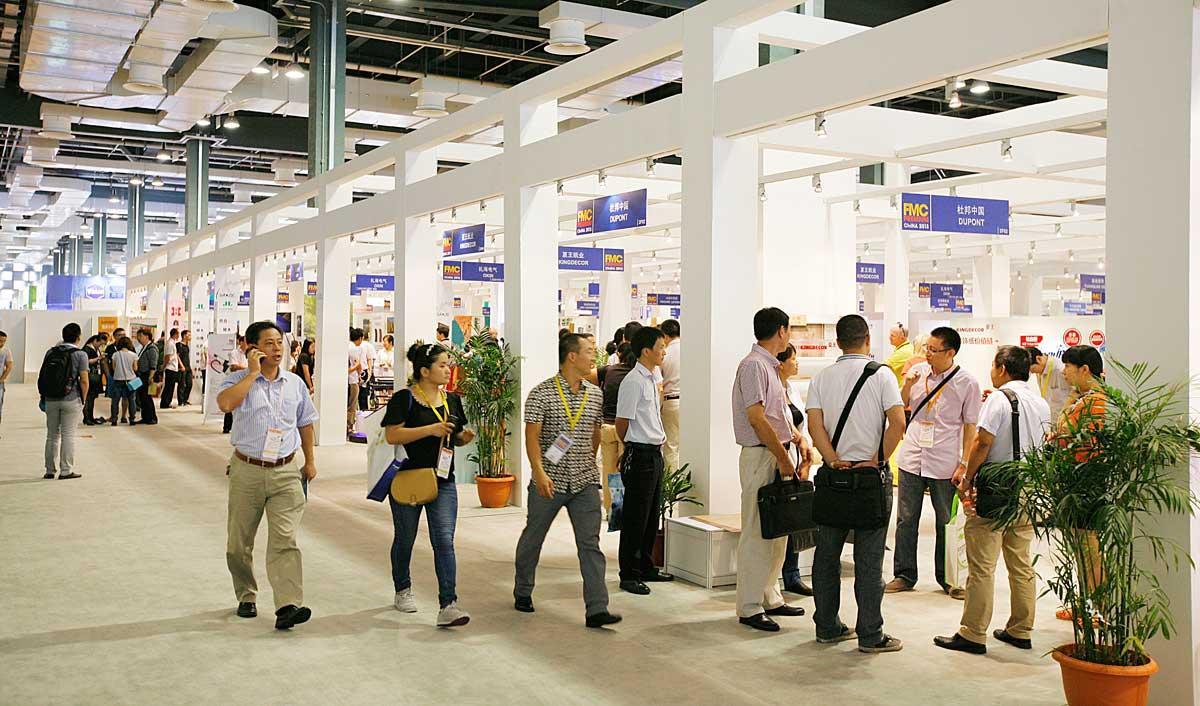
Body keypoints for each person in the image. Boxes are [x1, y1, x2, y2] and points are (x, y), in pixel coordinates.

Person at [934, 345, 1049, 655]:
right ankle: (1021, 629)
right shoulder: (1040, 402)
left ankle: (973, 633)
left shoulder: (999, 398)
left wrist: (967, 477)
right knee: (1020, 562)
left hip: (997, 487)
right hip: (1028, 486)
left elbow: (983, 442)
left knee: (982, 565)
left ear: (1002, 369)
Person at [806, 314, 906, 653]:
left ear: (838, 342)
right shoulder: (882, 375)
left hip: (833, 478)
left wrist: (832, 457)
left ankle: (827, 627)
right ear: (867, 340)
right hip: (869, 481)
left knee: (826, 556)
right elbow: (898, 422)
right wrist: (878, 458)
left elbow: (814, 425)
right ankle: (870, 634)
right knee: (869, 560)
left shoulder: (822, 377)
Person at [513, 333, 622, 628]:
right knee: (533, 537)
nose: (594, 356)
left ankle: (597, 608)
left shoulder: (595, 394)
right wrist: (538, 471)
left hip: (584, 481)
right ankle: (523, 590)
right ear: (572, 356)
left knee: (590, 544)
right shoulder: (541, 393)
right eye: (589, 351)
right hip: (550, 480)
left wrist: (588, 459)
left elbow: (595, 433)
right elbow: (532, 437)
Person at [217, 320, 318, 631]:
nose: (277, 349)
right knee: (238, 544)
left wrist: (310, 461)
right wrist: (252, 374)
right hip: (247, 470)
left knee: (285, 539)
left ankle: (288, 604)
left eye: (279, 342)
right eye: (269, 343)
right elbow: (225, 404)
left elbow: (305, 422)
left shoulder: (294, 384)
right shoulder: (237, 380)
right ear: (253, 348)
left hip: (286, 470)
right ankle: (246, 594)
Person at [383, 343, 475, 628]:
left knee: (444, 540)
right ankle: (402, 588)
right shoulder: (405, 399)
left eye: (448, 364)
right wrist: (430, 430)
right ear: (425, 371)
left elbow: (452, 436)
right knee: (405, 537)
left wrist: (462, 438)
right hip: (408, 478)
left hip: (443, 479)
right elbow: (392, 435)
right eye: (442, 365)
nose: (448, 370)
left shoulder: (452, 400)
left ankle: (448, 604)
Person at [732, 308, 812, 632]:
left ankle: (770, 596)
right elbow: (756, 418)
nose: (789, 335)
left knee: (779, 530)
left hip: (777, 452)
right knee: (756, 532)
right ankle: (749, 606)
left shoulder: (770, 366)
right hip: (762, 455)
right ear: (780, 331)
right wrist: (781, 456)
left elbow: (778, 414)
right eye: (788, 330)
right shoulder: (754, 365)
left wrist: (797, 439)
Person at [888, 326, 981, 598]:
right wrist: (907, 385)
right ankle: (904, 575)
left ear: (950, 353)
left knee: (945, 521)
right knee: (906, 519)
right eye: (926, 348)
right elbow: (898, 406)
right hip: (912, 457)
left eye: (933, 350)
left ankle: (949, 578)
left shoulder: (967, 382)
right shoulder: (918, 373)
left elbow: (970, 426)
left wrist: (964, 463)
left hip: (944, 461)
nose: (927, 354)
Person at [615, 326, 674, 595]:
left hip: (654, 454)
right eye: (661, 347)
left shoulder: (651, 378)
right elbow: (622, 423)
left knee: (651, 515)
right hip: (639, 454)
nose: (664, 352)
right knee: (635, 517)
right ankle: (629, 574)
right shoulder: (633, 381)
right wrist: (631, 446)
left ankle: (646, 566)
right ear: (646, 351)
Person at [1051, 344, 1107, 622]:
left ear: (1084, 369)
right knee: (1084, 547)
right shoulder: (1096, 399)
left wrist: (1071, 398)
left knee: (1089, 549)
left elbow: (1062, 429)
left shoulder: (1093, 402)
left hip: (1087, 481)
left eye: (1068, 367)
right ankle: (1088, 605)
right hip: (1085, 479)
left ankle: (1098, 608)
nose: (1064, 372)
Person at [778, 342, 815, 597]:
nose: (797, 362)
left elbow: (802, 425)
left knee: (795, 518)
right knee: (780, 519)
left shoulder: (792, 389)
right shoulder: (773, 390)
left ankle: (792, 575)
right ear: (781, 363)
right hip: (781, 460)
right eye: (793, 358)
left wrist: (806, 457)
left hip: (798, 459)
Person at [40, 322, 90, 479]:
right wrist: (83, 400)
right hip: (71, 399)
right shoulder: (81, 354)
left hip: (51, 398)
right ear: (78, 337)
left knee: (51, 435)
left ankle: (49, 470)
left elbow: (43, 376)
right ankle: (66, 470)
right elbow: (84, 381)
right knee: (68, 435)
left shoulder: (50, 352)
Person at [597, 342, 635, 514]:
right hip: (626, 428)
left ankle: (611, 510)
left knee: (609, 470)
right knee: (624, 471)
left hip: (607, 426)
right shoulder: (635, 375)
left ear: (619, 355)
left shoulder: (609, 371)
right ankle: (621, 510)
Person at [1026, 346, 1073, 422]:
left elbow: (1075, 393)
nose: (1032, 372)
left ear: (1038, 359)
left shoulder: (1060, 370)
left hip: (1065, 419)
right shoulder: (1040, 371)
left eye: (1033, 369)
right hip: (1050, 418)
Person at [659, 319, 682, 471]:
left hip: (671, 402)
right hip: (691, 401)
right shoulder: (690, 349)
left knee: (671, 446)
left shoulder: (664, 354)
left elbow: (658, 382)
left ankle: (673, 482)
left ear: (665, 336)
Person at [108, 337, 139, 427]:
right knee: (131, 400)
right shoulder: (134, 355)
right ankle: (132, 419)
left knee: (115, 400)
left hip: (118, 379)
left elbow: (113, 368)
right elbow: (135, 368)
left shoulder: (115, 355)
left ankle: (114, 419)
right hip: (131, 379)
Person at [134, 328, 159, 425]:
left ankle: (152, 418)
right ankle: (145, 417)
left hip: (148, 375)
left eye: (140, 336)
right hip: (142, 375)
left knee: (147, 397)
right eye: (138, 336)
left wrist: (151, 377)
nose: (138, 338)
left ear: (147, 336)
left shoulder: (152, 348)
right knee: (142, 397)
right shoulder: (144, 347)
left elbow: (153, 364)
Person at [223, 335, 248, 434]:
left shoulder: (249, 353)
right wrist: (247, 368)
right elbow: (233, 367)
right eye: (246, 341)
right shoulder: (234, 353)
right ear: (240, 342)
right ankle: (227, 427)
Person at [81, 334, 104, 425]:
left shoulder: (94, 349)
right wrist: (98, 358)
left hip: (94, 376)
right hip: (90, 376)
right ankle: (87, 417)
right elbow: (86, 361)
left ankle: (90, 417)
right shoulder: (86, 349)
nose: (100, 346)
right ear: (95, 341)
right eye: (100, 344)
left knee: (92, 398)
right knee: (88, 398)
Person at [348, 328, 364, 435]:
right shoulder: (354, 349)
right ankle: (349, 426)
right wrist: (359, 374)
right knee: (352, 405)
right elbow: (357, 365)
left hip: (348, 380)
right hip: (352, 380)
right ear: (360, 338)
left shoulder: (347, 346)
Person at [160, 328, 181, 409]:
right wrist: (164, 366)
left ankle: (167, 402)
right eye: (178, 334)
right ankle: (165, 403)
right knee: (168, 387)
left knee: (171, 387)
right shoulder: (170, 343)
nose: (178, 336)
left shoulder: (172, 343)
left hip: (173, 368)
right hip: (170, 368)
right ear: (175, 334)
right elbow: (167, 357)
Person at [358, 330, 376, 411]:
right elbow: (370, 359)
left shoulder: (366, 345)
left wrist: (369, 371)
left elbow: (370, 359)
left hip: (363, 371)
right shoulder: (368, 345)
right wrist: (369, 371)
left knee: (361, 395)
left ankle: (363, 411)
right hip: (363, 371)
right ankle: (363, 411)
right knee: (362, 396)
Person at [176, 330, 193, 406]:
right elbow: (177, 356)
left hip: (188, 367)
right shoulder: (179, 345)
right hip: (182, 367)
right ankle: (181, 401)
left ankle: (185, 400)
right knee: (181, 384)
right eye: (189, 335)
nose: (190, 337)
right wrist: (181, 365)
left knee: (189, 384)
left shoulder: (187, 345)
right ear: (184, 336)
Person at [0, 329, 11, 437]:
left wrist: (2, 379)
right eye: (0, 341)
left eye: (4, 341)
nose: (2, 343)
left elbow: (9, 366)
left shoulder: (6, 351)